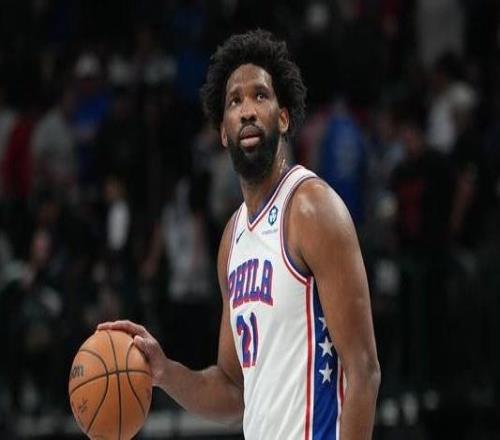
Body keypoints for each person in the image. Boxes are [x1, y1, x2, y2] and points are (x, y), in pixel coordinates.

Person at [98, 29, 380, 439]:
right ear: (223, 132)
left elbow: (364, 369)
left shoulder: (311, 207)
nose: (247, 110)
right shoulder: (233, 239)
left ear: (283, 118)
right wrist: (165, 372)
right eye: (235, 101)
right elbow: (233, 391)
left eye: (260, 96)